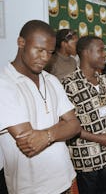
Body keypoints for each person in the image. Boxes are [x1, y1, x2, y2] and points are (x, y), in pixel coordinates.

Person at [0, 20, 81, 194]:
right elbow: (29, 143)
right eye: (40, 50)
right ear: (21, 43)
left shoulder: (51, 80)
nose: (45, 58)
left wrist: (46, 135)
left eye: (50, 52)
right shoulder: (4, 84)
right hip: (31, 189)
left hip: (67, 178)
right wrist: (61, 126)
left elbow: (75, 126)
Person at [62, 36, 106, 194]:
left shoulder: (102, 80)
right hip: (86, 161)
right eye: (101, 50)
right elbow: (67, 126)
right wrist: (99, 139)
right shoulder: (69, 85)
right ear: (85, 53)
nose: (105, 54)